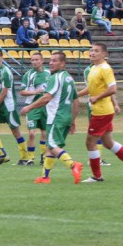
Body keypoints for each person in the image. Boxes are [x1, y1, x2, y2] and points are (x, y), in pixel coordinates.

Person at [20, 51, 84, 184]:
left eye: (55, 61)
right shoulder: (69, 78)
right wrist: (72, 120)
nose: (51, 63)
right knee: (50, 148)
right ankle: (45, 177)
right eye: (50, 60)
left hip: (56, 117)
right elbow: (76, 101)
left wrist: (29, 107)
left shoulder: (56, 78)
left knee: (52, 145)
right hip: (66, 118)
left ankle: (73, 165)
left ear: (63, 63)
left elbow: (46, 98)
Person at [76, 43, 123, 182]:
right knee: (108, 143)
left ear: (104, 54)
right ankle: (97, 176)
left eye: (96, 51)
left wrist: (97, 97)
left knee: (90, 142)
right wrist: (75, 95)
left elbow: (113, 89)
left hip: (102, 112)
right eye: (91, 50)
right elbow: (90, 88)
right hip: (100, 111)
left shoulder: (105, 69)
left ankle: (97, 176)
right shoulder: (93, 69)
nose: (92, 53)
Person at [0, 48, 28, 165]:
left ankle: (25, 158)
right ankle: (2, 154)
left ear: (2, 58)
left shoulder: (6, 72)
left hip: (8, 106)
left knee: (16, 133)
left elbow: (4, 92)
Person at [18, 52, 49, 166]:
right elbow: (22, 91)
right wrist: (35, 92)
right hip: (32, 107)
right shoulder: (29, 75)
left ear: (42, 60)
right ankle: (31, 158)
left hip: (45, 107)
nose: (34, 62)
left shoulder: (48, 73)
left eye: (37, 59)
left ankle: (44, 156)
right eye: (32, 60)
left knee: (45, 133)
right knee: (31, 133)